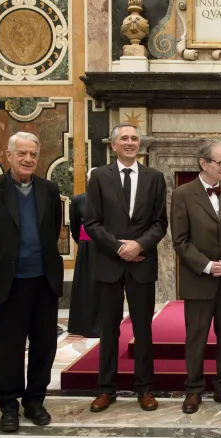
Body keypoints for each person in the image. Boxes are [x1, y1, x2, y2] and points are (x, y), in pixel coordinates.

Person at [0, 132, 63, 432]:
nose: (27, 160)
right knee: (10, 347)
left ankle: (35, 401)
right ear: (8, 155)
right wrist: (0, 260)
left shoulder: (49, 189)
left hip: (44, 281)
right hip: (9, 283)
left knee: (44, 345)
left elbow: (54, 229)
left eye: (32, 154)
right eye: (21, 153)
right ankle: (8, 405)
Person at [85, 122, 168, 413]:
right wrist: (120, 248)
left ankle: (145, 389)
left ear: (139, 144)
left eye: (135, 138)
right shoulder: (98, 177)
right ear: (113, 145)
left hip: (142, 263)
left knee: (143, 329)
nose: (130, 142)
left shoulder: (154, 177)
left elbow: (160, 223)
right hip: (109, 263)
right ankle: (106, 389)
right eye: (125, 138)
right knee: (109, 329)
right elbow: (91, 222)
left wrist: (138, 246)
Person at [170, 140, 221, 414]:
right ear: (204, 163)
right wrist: (207, 265)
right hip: (199, 279)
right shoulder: (182, 194)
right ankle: (193, 390)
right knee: (197, 337)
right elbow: (180, 241)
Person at [68, 168, 101, 338]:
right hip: (86, 249)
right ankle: (82, 325)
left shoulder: (110, 200)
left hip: (105, 249)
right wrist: (83, 244)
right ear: (88, 180)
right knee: (85, 287)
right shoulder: (78, 200)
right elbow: (74, 228)